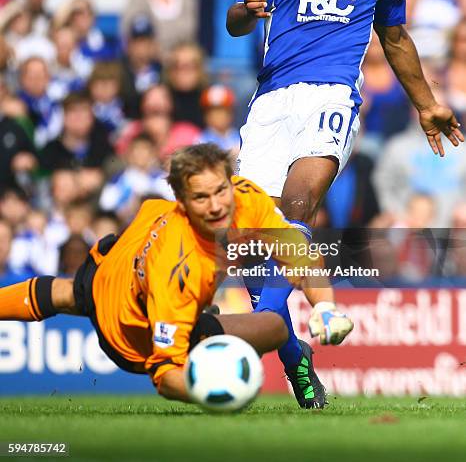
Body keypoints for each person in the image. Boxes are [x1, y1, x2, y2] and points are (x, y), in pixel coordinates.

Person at [226, 0, 463, 391]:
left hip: (332, 98)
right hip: (269, 106)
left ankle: (267, 327)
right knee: (248, 239)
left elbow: (396, 40)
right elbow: (235, 20)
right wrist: (246, 9)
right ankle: (294, 358)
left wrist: (427, 104)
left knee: (295, 208)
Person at [0, 143, 353, 405]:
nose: (216, 205)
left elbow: (300, 255)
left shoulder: (248, 198)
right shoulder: (177, 270)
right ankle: (202, 326)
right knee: (274, 328)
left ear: (232, 184)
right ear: (182, 201)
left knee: (66, 293)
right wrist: (217, 393)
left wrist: (325, 307)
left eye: (220, 191)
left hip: (117, 259)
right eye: (201, 198)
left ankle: (203, 320)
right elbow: (167, 377)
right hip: (127, 334)